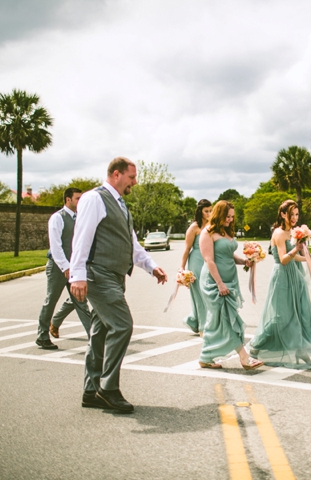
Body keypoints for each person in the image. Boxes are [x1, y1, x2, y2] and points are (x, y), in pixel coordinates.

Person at [70, 157, 168, 413]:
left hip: (114, 276)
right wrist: (77, 274)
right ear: (116, 174)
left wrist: (151, 266)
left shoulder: (120, 204)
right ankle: (108, 389)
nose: (135, 182)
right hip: (98, 274)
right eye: (132, 177)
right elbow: (82, 237)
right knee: (122, 325)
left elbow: (131, 243)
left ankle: (91, 391)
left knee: (101, 331)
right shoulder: (94, 198)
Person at [249, 200, 311, 368]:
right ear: (283, 214)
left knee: (299, 313)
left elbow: (294, 258)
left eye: (296, 214)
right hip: (282, 276)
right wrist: (296, 248)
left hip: (295, 275)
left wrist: (309, 258)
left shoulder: (293, 233)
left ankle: (301, 351)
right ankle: (254, 347)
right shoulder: (279, 233)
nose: (294, 218)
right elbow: (284, 259)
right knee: (280, 316)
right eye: (291, 214)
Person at [197, 200, 264, 370]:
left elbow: (229, 255)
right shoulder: (208, 232)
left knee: (217, 321)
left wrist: (245, 261)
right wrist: (219, 283)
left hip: (229, 281)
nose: (230, 220)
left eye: (232, 217)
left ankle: (205, 357)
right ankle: (244, 358)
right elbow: (209, 260)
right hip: (214, 281)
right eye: (227, 216)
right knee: (227, 320)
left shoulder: (225, 231)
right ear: (219, 214)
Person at [36, 188, 93, 349]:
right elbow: (55, 246)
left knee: (81, 301)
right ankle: (42, 336)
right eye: (77, 198)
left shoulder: (79, 218)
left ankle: (93, 338)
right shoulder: (57, 218)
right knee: (51, 301)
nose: (80, 202)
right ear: (68, 200)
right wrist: (65, 267)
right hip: (57, 267)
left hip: (74, 268)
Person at [180, 199, 212, 335]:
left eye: (211, 210)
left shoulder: (213, 225)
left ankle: (194, 320)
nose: (209, 213)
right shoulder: (194, 227)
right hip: (196, 261)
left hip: (209, 260)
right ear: (200, 211)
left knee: (209, 293)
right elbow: (187, 248)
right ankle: (203, 328)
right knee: (199, 294)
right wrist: (182, 268)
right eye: (206, 211)